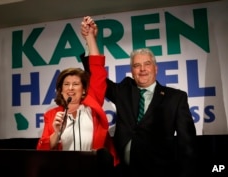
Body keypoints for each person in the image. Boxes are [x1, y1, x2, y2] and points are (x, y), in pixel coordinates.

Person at [80, 16, 197, 177]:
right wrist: (91, 39)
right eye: (136, 65)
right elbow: (96, 77)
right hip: (122, 173)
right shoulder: (124, 90)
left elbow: (187, 143)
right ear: (131, 71)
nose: (142, 69)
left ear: (156, 69)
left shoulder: (175, 98)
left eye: (147, 64)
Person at [36, 16, 119, 170]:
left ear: (84, 90)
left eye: (76, 84)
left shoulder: (92, 106)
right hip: (64, 171)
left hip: (96, 169)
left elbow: (97, 70)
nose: (71, 88)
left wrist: (90, 37)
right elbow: (42, 153)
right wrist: (56, 132)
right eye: (66, 84)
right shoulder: (52, 115)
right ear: (60, 91)